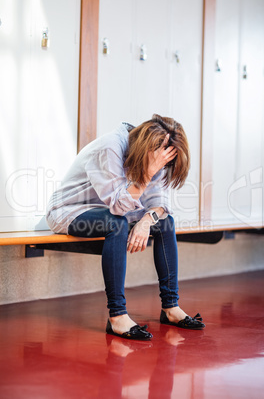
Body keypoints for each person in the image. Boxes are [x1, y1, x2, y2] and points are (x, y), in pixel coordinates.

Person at [46, 114, 205, 340]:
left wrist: (146, 221)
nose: (161, 168)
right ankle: (117, 316)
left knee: (165, 223)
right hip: (69, 211)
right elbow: (119, 206)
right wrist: (148, 173)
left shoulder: (155, 152)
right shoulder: (110, 147)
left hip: (110, 210)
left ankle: (170, 308)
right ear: (149, 147)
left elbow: (160, 203)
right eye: (162, 163)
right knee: (117, 223)